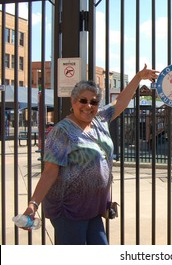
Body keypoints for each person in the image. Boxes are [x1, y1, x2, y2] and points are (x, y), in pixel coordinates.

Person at [21, 64, 159, 245]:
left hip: (93, 208)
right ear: (73, 101)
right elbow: (50, 171)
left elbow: (121, 102)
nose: (88, 106)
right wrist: (33, 204)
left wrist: (138, 78)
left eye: (93, 102)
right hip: (69, 210)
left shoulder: (100, 119)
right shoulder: (62, 131)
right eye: (83, 100)